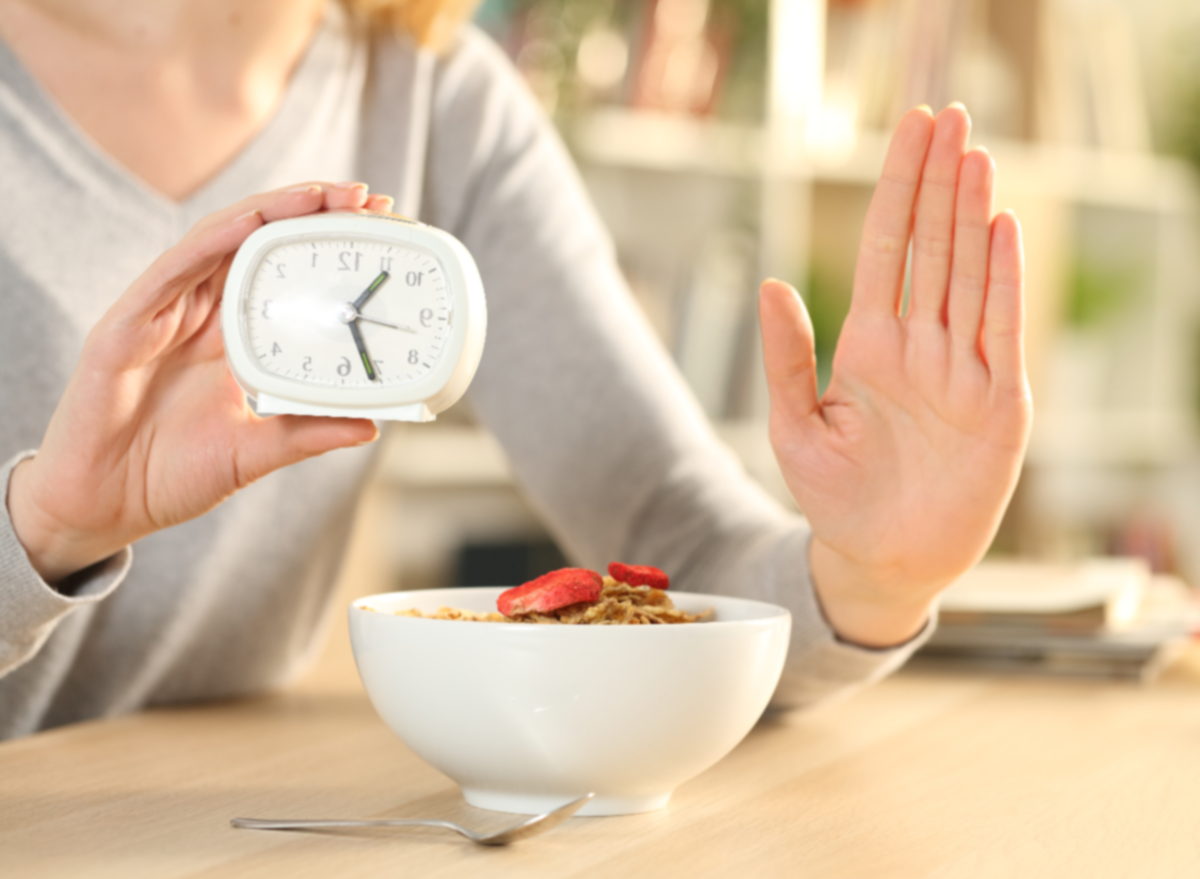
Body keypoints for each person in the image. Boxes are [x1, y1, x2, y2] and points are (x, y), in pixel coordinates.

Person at [0, 0, 1030, 739]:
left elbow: (675, 548)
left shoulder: (438, 99)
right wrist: (45, 528)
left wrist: (870, 574)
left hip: (233, 828)